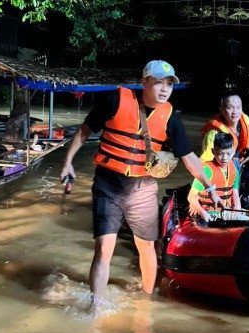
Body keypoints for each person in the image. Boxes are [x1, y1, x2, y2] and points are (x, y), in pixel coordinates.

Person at [59, 60, 222, 303]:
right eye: (158, 82)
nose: (165, 89)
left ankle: (147, 302)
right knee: (104, 250)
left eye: (169, 84)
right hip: (108, 185)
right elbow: (84, 131)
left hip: (142, 188)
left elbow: (189, 158)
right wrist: (68, 162)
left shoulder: (170, 118)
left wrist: (210, 187)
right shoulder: (116, 100)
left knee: (146, 247)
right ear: (144, 82)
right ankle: (94, 307)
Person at [188, 132, 246, 222]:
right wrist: (201, 212)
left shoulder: (234, 169)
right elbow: (191, 196)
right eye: (220, 153)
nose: (225, 158)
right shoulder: (206, 170)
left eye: (228, 154)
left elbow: (235, 194)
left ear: (234, 151)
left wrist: (237, 212)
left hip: (228, 209)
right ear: (213, 151)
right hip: (213, 213)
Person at [201, 93, 249, 166]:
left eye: (238, 107)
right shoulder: (213, 133)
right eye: (230, 108)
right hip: (223, 167)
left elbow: (247, 145)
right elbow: (205, 160)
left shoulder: (245, 121)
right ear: (221, 109)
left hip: (240, 162)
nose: (235, 112)